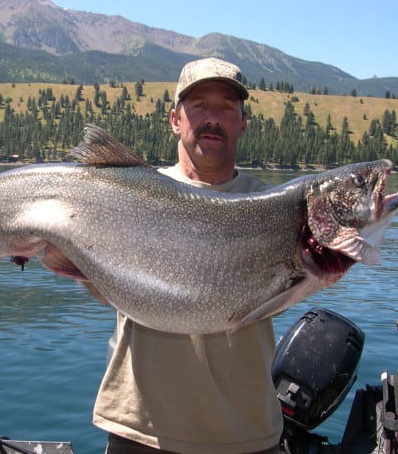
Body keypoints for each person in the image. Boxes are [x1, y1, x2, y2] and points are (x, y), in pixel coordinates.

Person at [93, 57, 283, 454]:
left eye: (227, 108)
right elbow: (103, 287)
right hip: (141, 429)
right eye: (199, 105)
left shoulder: (274, 206)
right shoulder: (126, 195)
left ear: (243, 124)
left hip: (246, 433)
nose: (212, 118)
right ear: (175, 119)